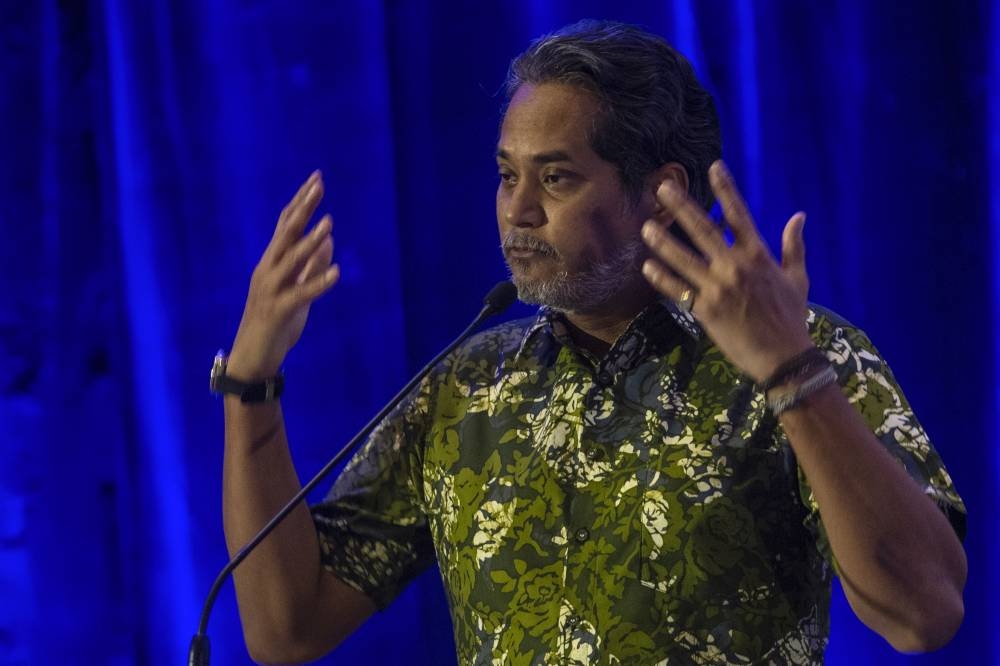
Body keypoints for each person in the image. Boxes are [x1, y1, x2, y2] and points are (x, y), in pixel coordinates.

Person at [216, 20, 967, 665]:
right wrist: (252, 382)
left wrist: (793, 375)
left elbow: (924, 613)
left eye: (558, 178)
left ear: (661, 190)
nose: (519, 212)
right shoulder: (467, 386)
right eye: (507, 175)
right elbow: (287, 627)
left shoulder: (802, 352)